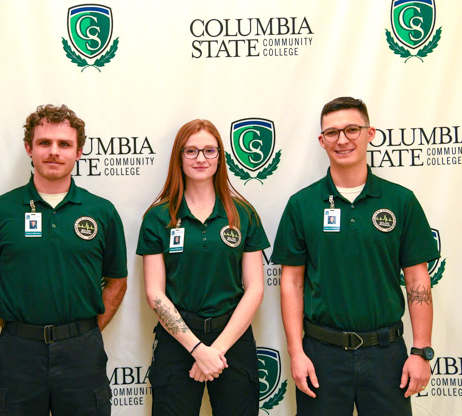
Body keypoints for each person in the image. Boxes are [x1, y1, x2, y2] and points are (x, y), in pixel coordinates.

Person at [272, 97, 439, 415]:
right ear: (322, 141)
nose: (343, 139)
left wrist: (420, 351)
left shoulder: (401, 201)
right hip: (321, 355)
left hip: (386, 354)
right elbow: (291, 283)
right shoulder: (302, 205)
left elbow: (417, 279)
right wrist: (296, 352)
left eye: (352, 129)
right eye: (332, 132)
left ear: (370, 133)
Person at [0, 104, 128, 415]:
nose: (54, 152)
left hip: (82, 352)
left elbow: (117, 282)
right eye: (44, 143)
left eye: (64, 144)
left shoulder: (102, 212)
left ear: (79, 152)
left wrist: (84, 332)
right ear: (29, 148)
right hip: (18, 351)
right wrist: (17, 328)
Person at [136, 119, 268, 415]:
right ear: (178, 157)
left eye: (209, 150)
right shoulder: (158, 217)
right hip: (178, 340)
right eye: (191, 151)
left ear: (220, 157)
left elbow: (255, 288)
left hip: (232, 338)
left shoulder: (243, 213)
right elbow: (155, 293)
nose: (200, 159)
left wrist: (215, 351)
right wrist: (197, 350)